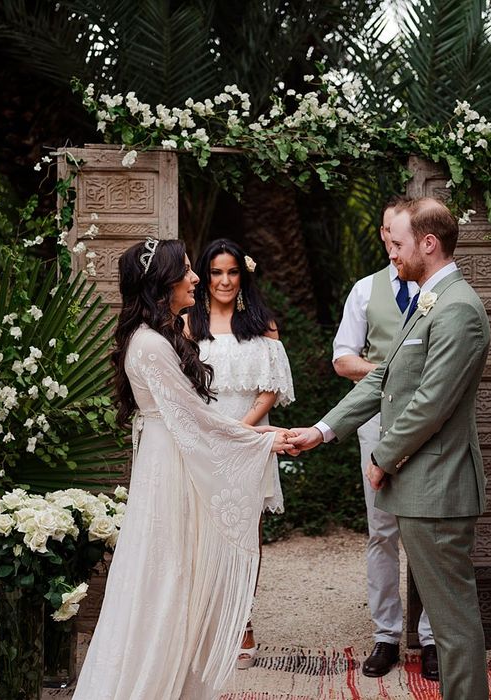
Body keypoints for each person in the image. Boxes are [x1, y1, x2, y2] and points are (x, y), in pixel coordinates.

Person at [73, 238, 295, 700]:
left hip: (173, 458)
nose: (198, 279)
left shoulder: (157, 337)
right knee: (166, 573)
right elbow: (193, 420)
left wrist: (260, 435)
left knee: (177, 572)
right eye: (190, 271)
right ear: (163, 282)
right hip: (171, 466)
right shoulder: (151, 345)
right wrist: (266, 437)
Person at [289, 197, 491, 699]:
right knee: (448, 623)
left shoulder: (459, 309)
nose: (391, 252)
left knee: (453, 626)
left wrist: (381, 457)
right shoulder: (428, 300)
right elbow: (384, 377)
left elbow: (430, 402)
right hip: (421, 486)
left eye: (397, 243)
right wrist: (322, 430)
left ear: (428, 243)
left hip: (438, 486)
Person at [332, 196, 435, 679]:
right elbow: (342, 359)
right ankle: (387, 635)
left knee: (428, 531)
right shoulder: (363, 291)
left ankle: (432, 638)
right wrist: (390, 373)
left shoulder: (437, 290)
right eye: (392, 241)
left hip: (430, 423)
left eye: (404, 242)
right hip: (376, 421)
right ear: (383, 235)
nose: (397, 251)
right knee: (383, 530)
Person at [187, 238, 294, 669]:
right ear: (205, 276)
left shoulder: (262, 323)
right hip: (203, 441)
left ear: (243, 275)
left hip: (249, 442)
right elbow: (182, 386)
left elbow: (271, 387)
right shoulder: (188, 325)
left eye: (232, 272)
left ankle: (242, 622)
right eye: (216, 272)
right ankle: (206, 624)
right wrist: (212, 432)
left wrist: (241, 430)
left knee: (246, 536)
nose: (225, 280)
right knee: (203, 532)